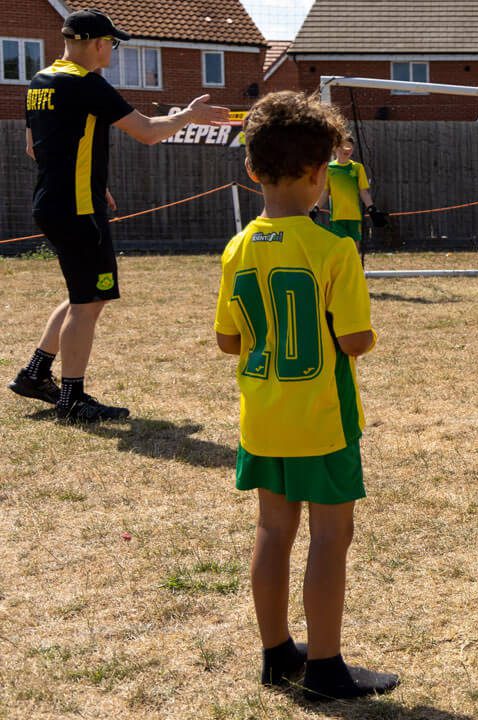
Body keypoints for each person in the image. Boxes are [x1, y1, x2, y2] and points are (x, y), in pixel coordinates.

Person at [214, 90, 399, 701]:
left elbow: (225, 339)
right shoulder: (334, 249)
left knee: (272, 532)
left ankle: (275, 655)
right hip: (322, 420)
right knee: (329, 538)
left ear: (251, 169)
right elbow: (354, 341)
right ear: (323, 174)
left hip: (262, 418)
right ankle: (324, 666)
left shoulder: (236, 249)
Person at [8, 8, 228, 422]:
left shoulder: (39, 82)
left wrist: (88, 177)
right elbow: (147, 132)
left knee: (81, 293)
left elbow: (34, 147)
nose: (112, 49)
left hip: (51, 202)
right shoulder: (87, 84)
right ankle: (71, 399)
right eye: (112, 42)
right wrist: (188, 116)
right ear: (97, 43)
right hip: (77, 208)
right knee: (89, 300)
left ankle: (35, 374)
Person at [313, 135, 387, 248]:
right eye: (343, 146)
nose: (346, 150)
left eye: (350, 147)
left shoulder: (357, 168)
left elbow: (363, 192)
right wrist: (315, 208)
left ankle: (355, 266)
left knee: (354, 249)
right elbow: (325, 193)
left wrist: (372, 209)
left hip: (354, 217)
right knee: (340, 248)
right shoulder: (329, 169)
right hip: (337, 218)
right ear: (336, 148)